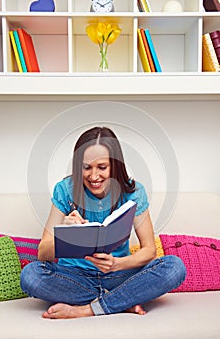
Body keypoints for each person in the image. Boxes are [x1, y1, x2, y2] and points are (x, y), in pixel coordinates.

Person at [21, 126, 186, 319]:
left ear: (114, 165)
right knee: (30, 275)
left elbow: (149, 250)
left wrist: (116, 264)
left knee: (174, 266)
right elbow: (43, 254)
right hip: (73, 278)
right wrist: (65, 233)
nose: (93, 176)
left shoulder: (133, 192)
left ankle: (88, 309)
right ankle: (121, 302)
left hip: (119, 276)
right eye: (86, 167)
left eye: (102, 167)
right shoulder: (65, 190)